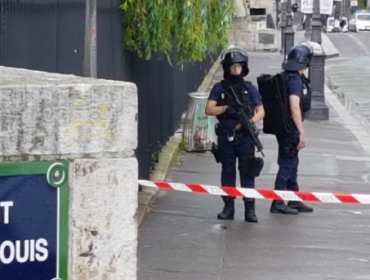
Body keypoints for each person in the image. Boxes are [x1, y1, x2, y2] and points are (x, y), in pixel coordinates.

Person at [205, 46, 265, 223]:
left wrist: (250, 123)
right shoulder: (220, 88)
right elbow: (209, 109)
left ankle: (250, 210)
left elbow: (261, 111)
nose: (236, 69)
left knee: (247, 173)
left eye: (239, 66)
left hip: (246, 137)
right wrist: (225, 108)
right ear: (227, 68)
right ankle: (228, 207)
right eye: (233, 66)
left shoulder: (250, 88)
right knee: (228, 172)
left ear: (244, 67)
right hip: (226, 137)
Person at [270, 44, 314, 214]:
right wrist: (301, 131)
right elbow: (295, 107)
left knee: (291, 163)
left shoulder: (285, 77)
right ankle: (278, 201)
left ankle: (294, 199)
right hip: (291, 128)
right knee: (288, 164)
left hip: (283, 127)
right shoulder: (295, 81)